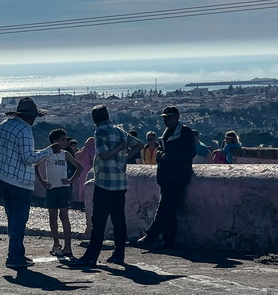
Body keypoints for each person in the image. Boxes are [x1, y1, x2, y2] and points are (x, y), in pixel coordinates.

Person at [0, 97, 57, 269]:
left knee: (12, 218)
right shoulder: (24, 130)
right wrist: (49, 151)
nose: (35, 120)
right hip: (20, 181)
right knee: (20, 219)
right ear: (29, 116)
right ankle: (14, 257)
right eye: (34, 117)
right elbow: (28, 158)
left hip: (2, 178)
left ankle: (18, 253)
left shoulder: (2, 125)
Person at [71, 105, 128, 267]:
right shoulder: (120, 131)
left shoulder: (100, 132)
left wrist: (117, 149)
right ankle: (119, 254)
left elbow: (103, 155)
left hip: (104, 182)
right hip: (121, 182)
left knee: (99, 220)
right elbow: (137, 144)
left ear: (95, 120)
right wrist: (123, 160)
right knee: (119, 220)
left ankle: (91, 256)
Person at [137, 106, 195, 250]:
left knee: (164, 208)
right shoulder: (168, 133)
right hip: (166, 176)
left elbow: (189, 152)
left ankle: (151, 236)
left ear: (177, 117)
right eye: (165, 118)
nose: (166, 120)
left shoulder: (185, 132)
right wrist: (160, 156)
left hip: (178, 176)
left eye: (169, 117)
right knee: (169, 209)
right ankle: (168, 240)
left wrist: (168, 156)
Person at [35, 129, 83, 258]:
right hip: (51, 189)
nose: (65, 141)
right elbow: (36, 166)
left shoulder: (65, 154)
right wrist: (43, 182)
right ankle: (56, 244)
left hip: (63, 188)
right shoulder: (48, 153)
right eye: (63, 139)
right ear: (55, 141)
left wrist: (70, 180)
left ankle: (68, 247)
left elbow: (80, 167)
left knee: (64, 217)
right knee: (52, 218)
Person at [74, 136, 95, 203]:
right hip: (89, 170)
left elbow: (76, 155)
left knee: (81, 185)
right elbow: (93, 158)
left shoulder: (83, 151)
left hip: (82, 170)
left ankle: (81, 200)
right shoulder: (93, 149)